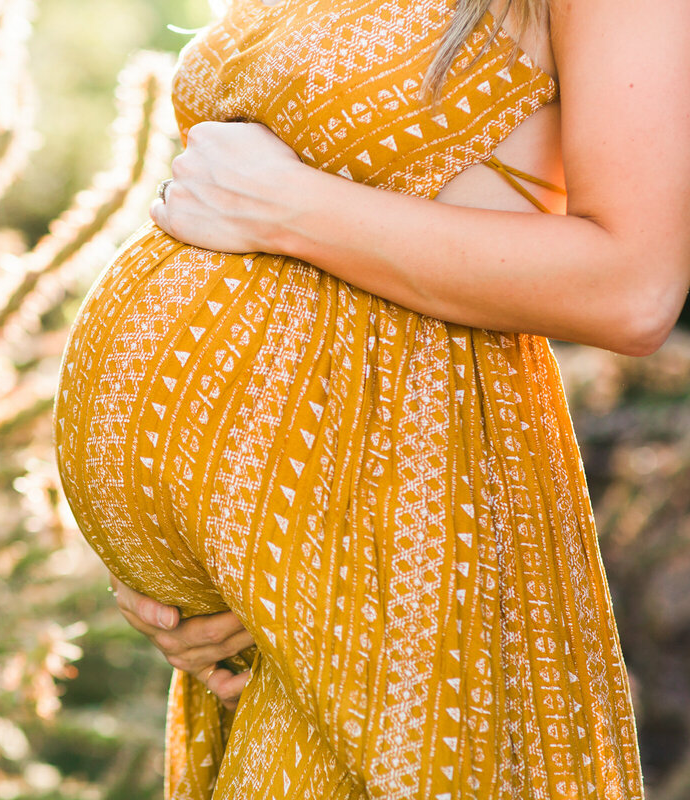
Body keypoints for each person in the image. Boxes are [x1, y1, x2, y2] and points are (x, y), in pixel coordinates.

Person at [53, 0, 687, 796]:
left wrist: (291, 208)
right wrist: (184, 565)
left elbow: (634, 287)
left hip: (398, 530)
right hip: (280, 576)